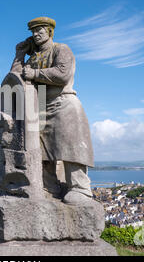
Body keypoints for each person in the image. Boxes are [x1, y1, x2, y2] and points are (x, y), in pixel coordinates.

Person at [10, 16, 94, 204]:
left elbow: (63, 74)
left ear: (50, 32)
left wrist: (35, 74)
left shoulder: (61, 49)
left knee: (70, 147)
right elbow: (15, 79)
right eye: (33, 31)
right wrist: (19, 55)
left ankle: (79, 188)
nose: (36, 33)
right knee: (42, 151)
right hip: (39, 108)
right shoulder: (32, 58)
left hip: (63, 104)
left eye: (40, 30)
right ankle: (49, 186)